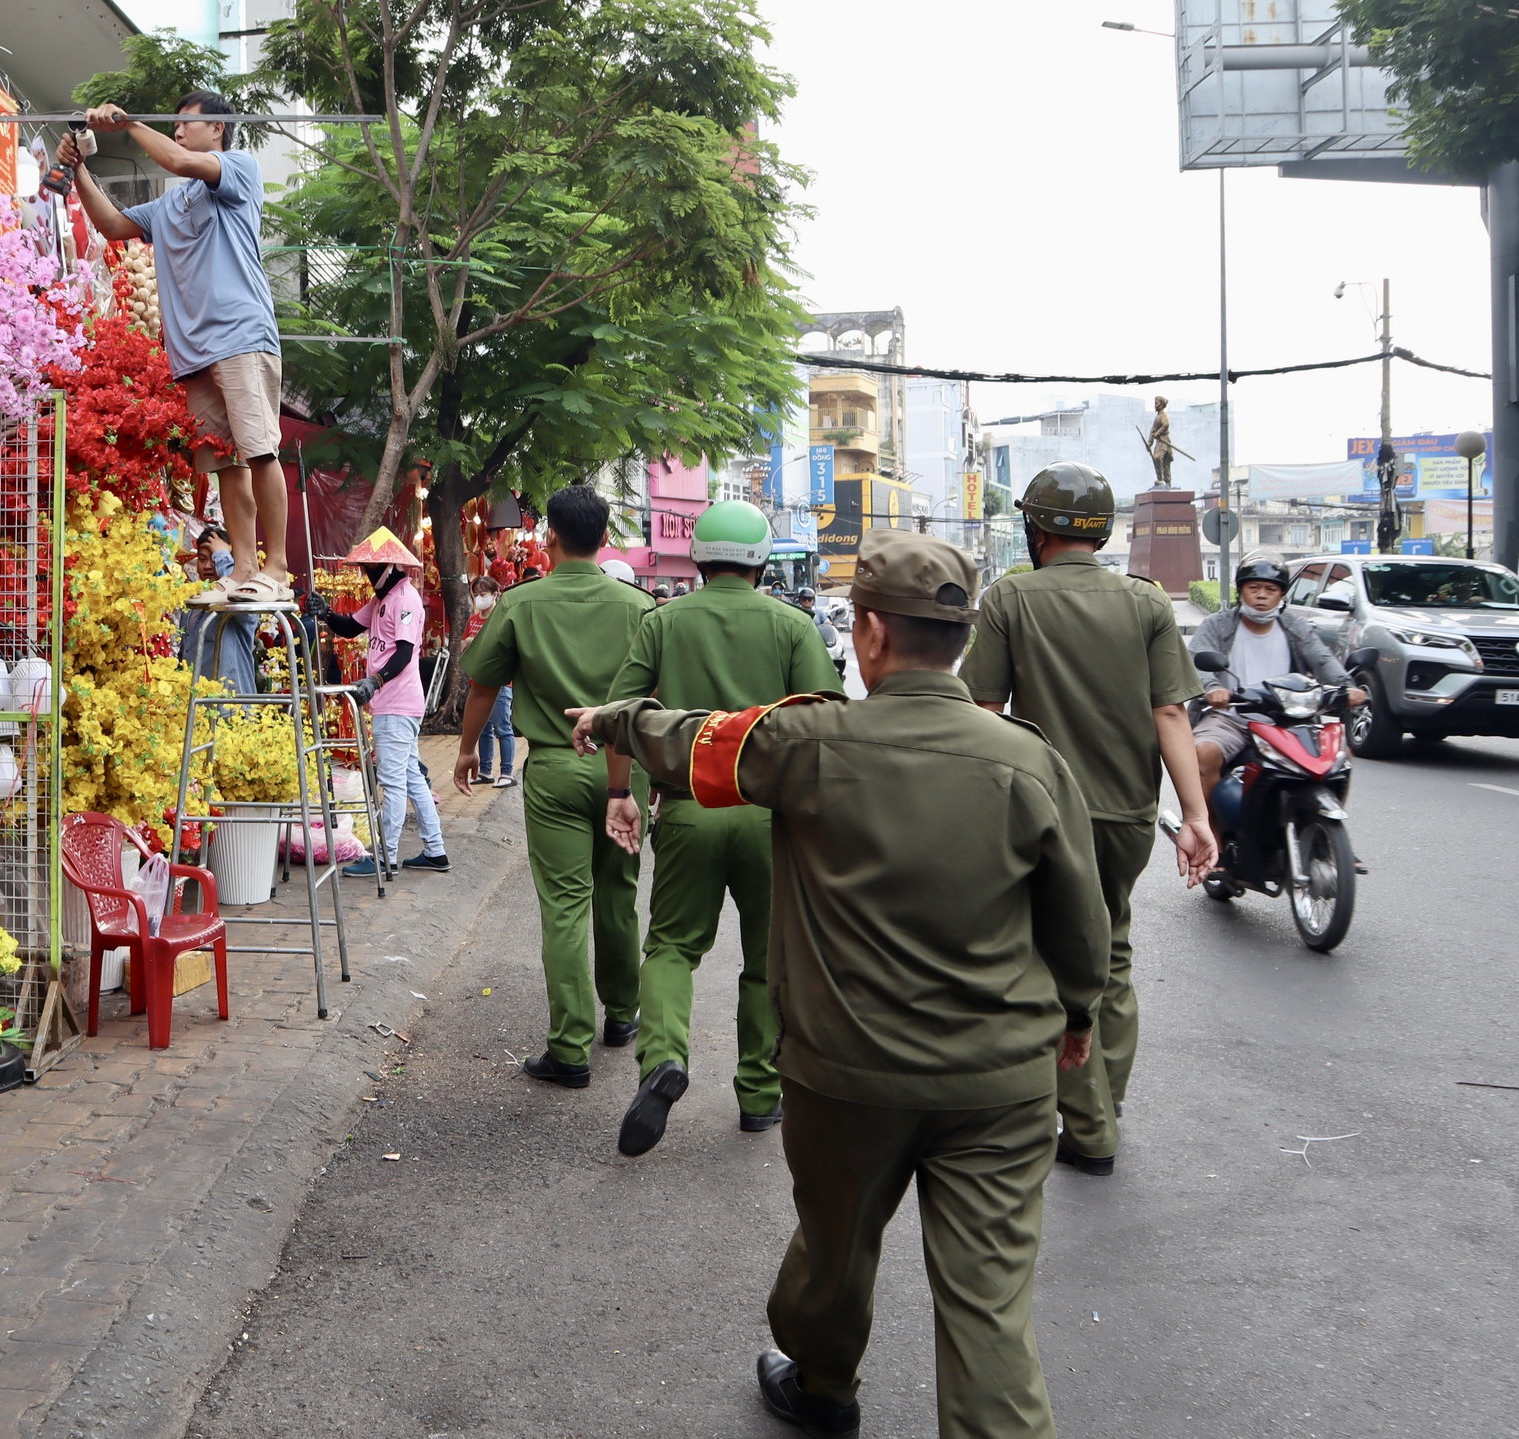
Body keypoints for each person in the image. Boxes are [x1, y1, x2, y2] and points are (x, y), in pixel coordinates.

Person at [569, 529, 1108, 1439]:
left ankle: (822, 1384)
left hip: (846, 1073)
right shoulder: (1028, 758)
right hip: (999, 1085)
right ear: (962, 639)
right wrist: (1079, 1013)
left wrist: (613, 719)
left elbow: (689, 741)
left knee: (835, 1243)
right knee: (990, 1307)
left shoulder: (804, 741)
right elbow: (1080, 919)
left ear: (867, 634)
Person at [959, 461, 1212, 1180]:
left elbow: (983, 714)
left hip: (1040, 812)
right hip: (1129, 815)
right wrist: (1193, 815)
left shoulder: (1010, 599)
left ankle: (1090, 1125)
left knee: (1047, 958)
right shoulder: (1147, 603)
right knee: (1112, 954)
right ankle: (1109, 1093)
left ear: (1036, 530)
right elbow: (1171, 712)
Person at [600, 501, 837, 1155]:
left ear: (698, 558)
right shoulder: (793, 626)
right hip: (770, 818)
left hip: (687, 808)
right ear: (763, 559)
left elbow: (624, 715)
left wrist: (621, 793)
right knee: (766, 959)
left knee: (672, 947)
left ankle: (663, 1061)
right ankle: (760, 1097)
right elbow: (825, 727)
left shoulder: (662, 621)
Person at [453, 486, 653, 1086]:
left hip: (555, 769)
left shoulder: (521, 603)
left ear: (552, 538)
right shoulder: (637, 607)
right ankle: (623, 1014)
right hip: (625, 766)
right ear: (605, 536)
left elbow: (483, 686)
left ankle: (570, 1050)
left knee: (566, 906)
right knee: (618, 892)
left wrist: (466, 750)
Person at [60, 94, 289, 605]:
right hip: (194, 355)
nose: (180, 132)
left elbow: (176, 160)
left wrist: (130, 120)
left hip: (241, 335)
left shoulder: (239, 169)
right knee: (226, 463)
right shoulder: (169, 205)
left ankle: (277, 567)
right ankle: (243, 569)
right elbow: (112, 226)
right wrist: (78, 169)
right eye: (177, 125)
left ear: (218, 131)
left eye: (188, 123)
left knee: (259, 450)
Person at [316, 528, 450, 876]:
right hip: (391, 702)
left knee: (391, 782)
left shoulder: (404, 599)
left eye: (370, 567)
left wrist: (375, 682)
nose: (366, 573)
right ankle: (435, 850)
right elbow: (349, 628)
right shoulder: (380, 600)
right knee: (411, 778)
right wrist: (325, 612)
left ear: (388, 566)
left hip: (396, 702)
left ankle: (386, 856)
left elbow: (405, 653)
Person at [1187, 557, 1361, 777]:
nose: (1261, 595)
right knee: (1203, 753)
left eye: (1271, 589)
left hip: (1290, 720)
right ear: (1240, 592)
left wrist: (1346, 686)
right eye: (1253, 588)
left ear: (1281, 594)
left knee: (1340, 756)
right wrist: (1213, 688)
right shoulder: (1217, 625)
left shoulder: (1296, 627)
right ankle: (1205, 813)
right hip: (1230, 717)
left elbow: (1323, 659)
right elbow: (1196, 661)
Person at [176, 525, 260, 694]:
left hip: (230, 708)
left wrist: (222, 556)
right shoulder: (192, 603)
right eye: (202, 558)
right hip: (197, 708)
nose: (208, 566)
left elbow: (248, 609)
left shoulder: (239, 597)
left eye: (214, 559)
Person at [460, 576, 515, 788]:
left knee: (503, 727)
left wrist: (478, 643)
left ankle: (507, 772)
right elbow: (463, 645)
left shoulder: (500, 618)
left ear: (495, 594)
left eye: (483, 594)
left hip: (499, 682)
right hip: (477, 680)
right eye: (476, 594)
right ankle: (484, 770)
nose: (479, 598)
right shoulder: (473, 620)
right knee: (482, 728)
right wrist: (467, 644)